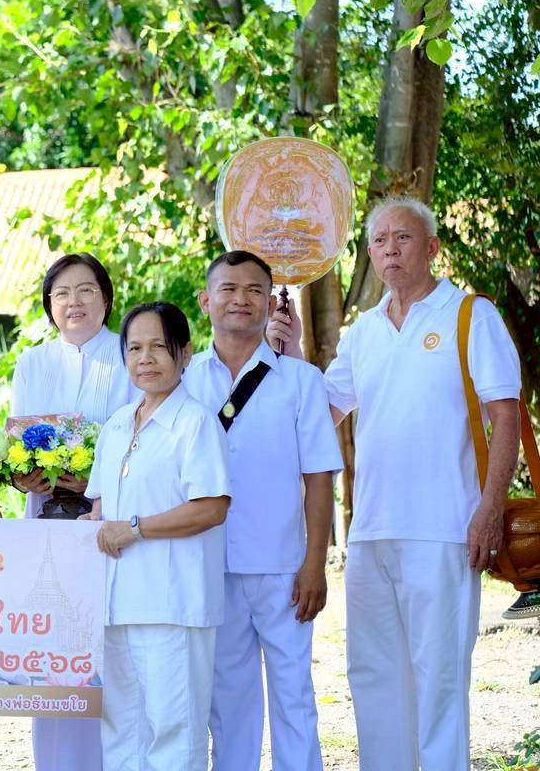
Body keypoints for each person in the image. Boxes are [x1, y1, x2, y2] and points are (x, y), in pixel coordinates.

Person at [268, 195, 522, 770]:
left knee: (439, 681)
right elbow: (319, 411)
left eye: (402, 238)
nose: (389, 249)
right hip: (372, 532)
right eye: (378, 240)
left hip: (446, 529)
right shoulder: (364, 333)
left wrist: (489, 507)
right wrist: (295, 350)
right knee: (374, 676)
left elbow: (506, 413)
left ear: (431, 248)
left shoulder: (468, 315)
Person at [182, 251, 342, 771]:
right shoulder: (182, 383)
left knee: (294, 696)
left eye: (254, 290)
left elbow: (318, 477)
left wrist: (314, 562)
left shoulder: (301, 381)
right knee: (227, 705)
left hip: (283, 568)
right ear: (206, 300)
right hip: (210, 565)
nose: (240, 299)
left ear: (269, 300)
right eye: (227, 289)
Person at [82, 301, 230, 771]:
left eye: (158, 348)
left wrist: (135, 529)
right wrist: (96, 523)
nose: (145, 359)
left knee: (173, 733)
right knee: (121, 733)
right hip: (116, 605)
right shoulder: (116, 424)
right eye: (135, 348)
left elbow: (211, 507)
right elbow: (101, 505)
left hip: (173, 606)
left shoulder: (196, 423)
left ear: (185, 354)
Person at [9, 253, 133, 770]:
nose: (74, 302)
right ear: (49, 304)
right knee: (57, 660)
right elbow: (13, 444)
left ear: (105, 299)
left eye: (86, 291)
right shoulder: (32, 362)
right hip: (49, 531)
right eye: (62, 293)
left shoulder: (131, 356)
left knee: (114, 659)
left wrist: (95, 481)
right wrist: (21, 476)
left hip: (112, 531)